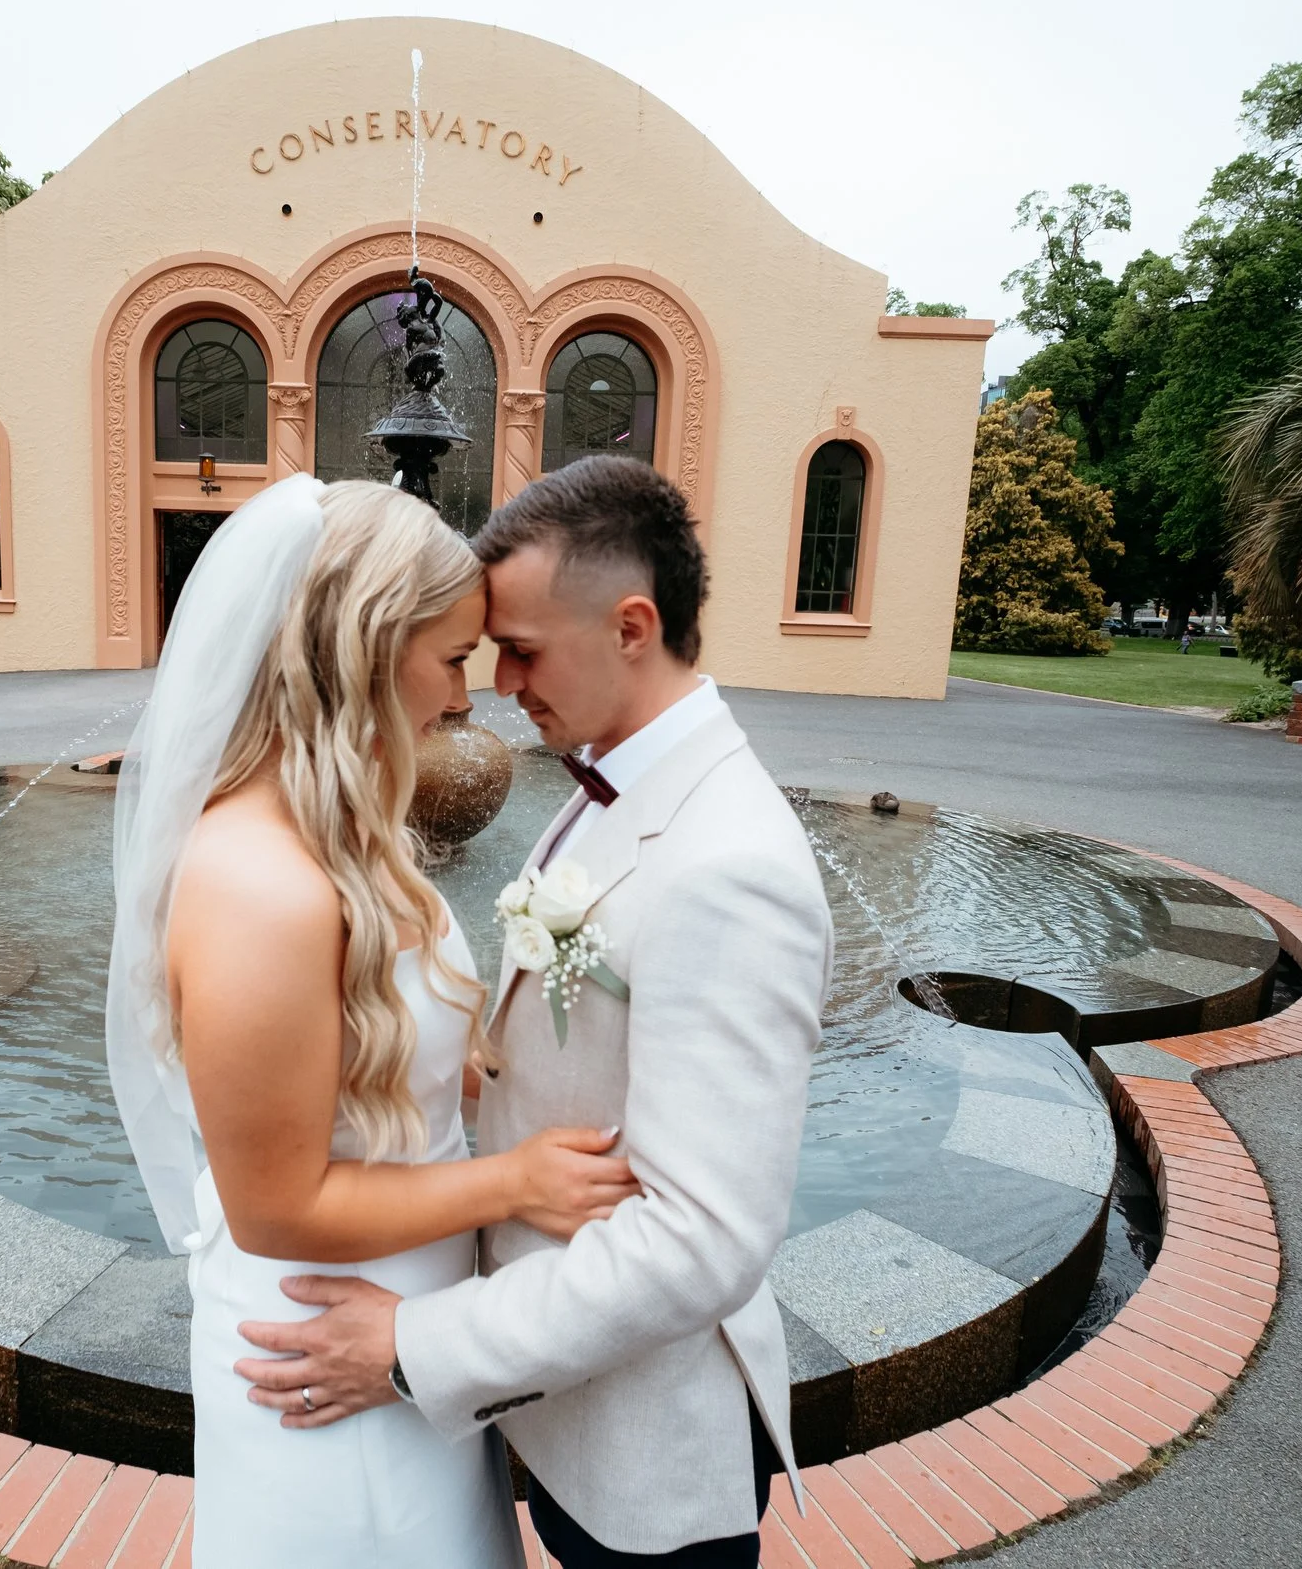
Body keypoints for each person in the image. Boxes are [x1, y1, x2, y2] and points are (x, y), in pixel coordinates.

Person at [235, 455, 833, 1566]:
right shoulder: (606, 785)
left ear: (631, 626)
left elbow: (703, 1238)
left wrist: (415, 1342)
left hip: (642, 1447)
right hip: (557, 1396)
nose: (497, 684)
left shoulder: (729, 864)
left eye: (521, 647)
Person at [106, 475, 642, 1569]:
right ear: (361, 649)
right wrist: (518, 1179)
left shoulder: (343, 835)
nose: (463, 698)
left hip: (405, 1329)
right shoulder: (260, 885)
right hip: (320, 1343)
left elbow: (389, 1072)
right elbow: (276, 1203)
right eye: (448, 658)